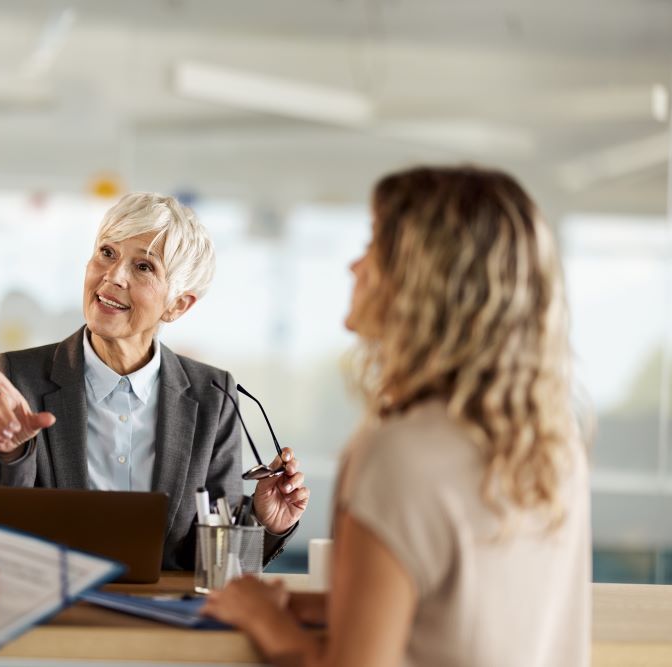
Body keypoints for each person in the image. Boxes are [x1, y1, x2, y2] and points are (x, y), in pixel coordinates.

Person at [202, 166, 591, 667]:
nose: (354, 266)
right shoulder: (553, 445)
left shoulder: (398, 455)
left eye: (375, 245)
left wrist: (264, 618)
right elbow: (458, 618)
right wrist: (308, 607)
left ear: (425, 281)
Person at [0, 193, 309, 569]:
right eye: (107, 253)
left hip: (164, 623)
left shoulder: (214, 397)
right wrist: (9, 455)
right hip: (54, 616)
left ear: (178, 305)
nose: (113, 276)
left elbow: (219, 568)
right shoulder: (20, 378)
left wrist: (265, 524)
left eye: (144, 267)